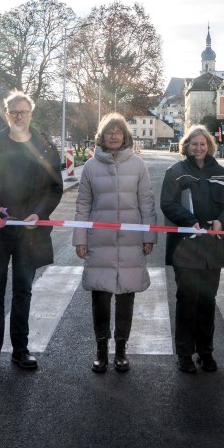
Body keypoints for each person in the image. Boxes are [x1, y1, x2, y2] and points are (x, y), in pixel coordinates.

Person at [0, 91, 63, 379]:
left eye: (23, 111)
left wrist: (40, 214)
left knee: (24, 291)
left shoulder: (44, 146)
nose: (18, 116)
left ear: (31, 113)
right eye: (13, 111)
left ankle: (20, 350)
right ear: (6, 114)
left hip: (29, 233)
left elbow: (54, 188)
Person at [73, 114, 157, 373]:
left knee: (126, 297)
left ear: (125, 136)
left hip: (131, 241)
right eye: (109, 131)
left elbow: (147, 202)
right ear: (102, 135)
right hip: (100, 240)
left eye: (118, 131)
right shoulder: (90, 166)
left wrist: (148, 235)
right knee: (100, 296)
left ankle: (121, 349)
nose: (113, 135)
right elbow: (83, 204)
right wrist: (80, 238)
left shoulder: (138, 165)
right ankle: (101, 350)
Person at [160, 125, 224, 374]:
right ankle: (184, 353)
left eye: (203, 144)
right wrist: (189, 221)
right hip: (185, 246)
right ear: (187, 146)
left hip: (212, 247)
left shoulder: (222, 173)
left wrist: (222, 222)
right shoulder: (175, 172)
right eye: (194, 144)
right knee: (187, 300)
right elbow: (167, 204)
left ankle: (205, 352)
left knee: (207, 300)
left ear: (209, 146)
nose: (199, 148)